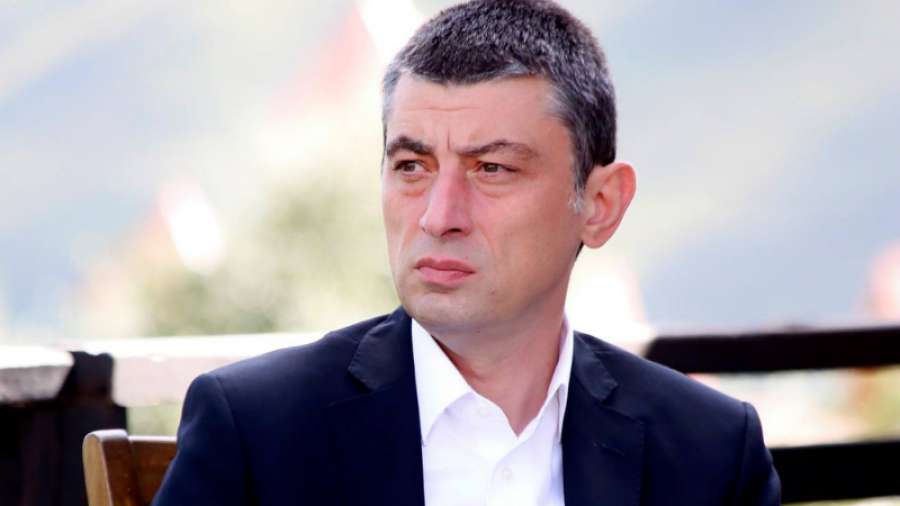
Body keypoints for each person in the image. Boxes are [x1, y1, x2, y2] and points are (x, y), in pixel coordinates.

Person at [153, 1, 780, 504]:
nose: (438, 216)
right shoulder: (256, 431)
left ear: (599, 204)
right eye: (412, 166)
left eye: (492, 168)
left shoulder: (712, 453)